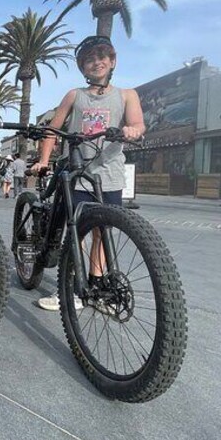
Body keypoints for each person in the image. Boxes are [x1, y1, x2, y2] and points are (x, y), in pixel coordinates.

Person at [32, 35, 145, 312]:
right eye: (90, 59)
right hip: (79, 172)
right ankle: (70, 289)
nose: (97, 62)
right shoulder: (75, 95)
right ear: (83, 67)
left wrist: (133, 130)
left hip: (110, 175)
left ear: (113, 61)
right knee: (76, 232)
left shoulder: (127, 95)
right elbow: (53, 129)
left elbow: (138, 124)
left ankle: (94, 285)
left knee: (102, 231)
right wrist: (44, 159)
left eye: (102, 57)